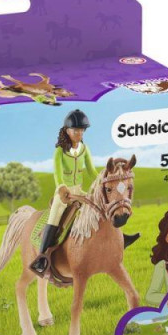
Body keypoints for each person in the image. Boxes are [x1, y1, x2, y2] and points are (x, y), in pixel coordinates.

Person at [30, 109, 98, 274]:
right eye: (76, 130)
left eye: (82, 130)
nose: (79, 134)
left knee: (99, 206)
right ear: (67, 131)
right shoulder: (60, 151)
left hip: (79, 191)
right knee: (54, 218)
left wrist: (101, 181)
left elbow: (91, 170)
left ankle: (117, 239)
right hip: (64, 193)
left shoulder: (84, 149)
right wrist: (61, 187)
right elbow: (57, 173)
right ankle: (41, 258)